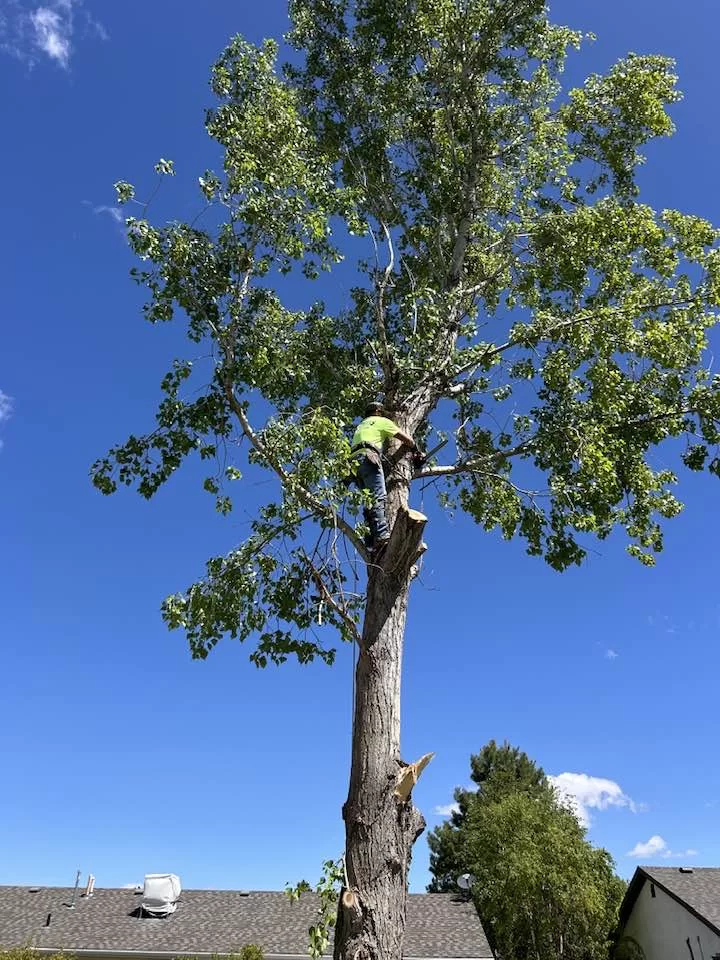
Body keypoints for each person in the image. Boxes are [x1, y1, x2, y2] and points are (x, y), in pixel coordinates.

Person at [350, 402, 420, 551]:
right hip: (368, 457)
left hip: (354, 464)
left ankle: (370, 537)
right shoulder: (382, 421)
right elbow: (406, 439)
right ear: (377, 411)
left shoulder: (361, 425)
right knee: (378, 496)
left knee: (368, 499)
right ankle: (382, 535)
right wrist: (416, 449)